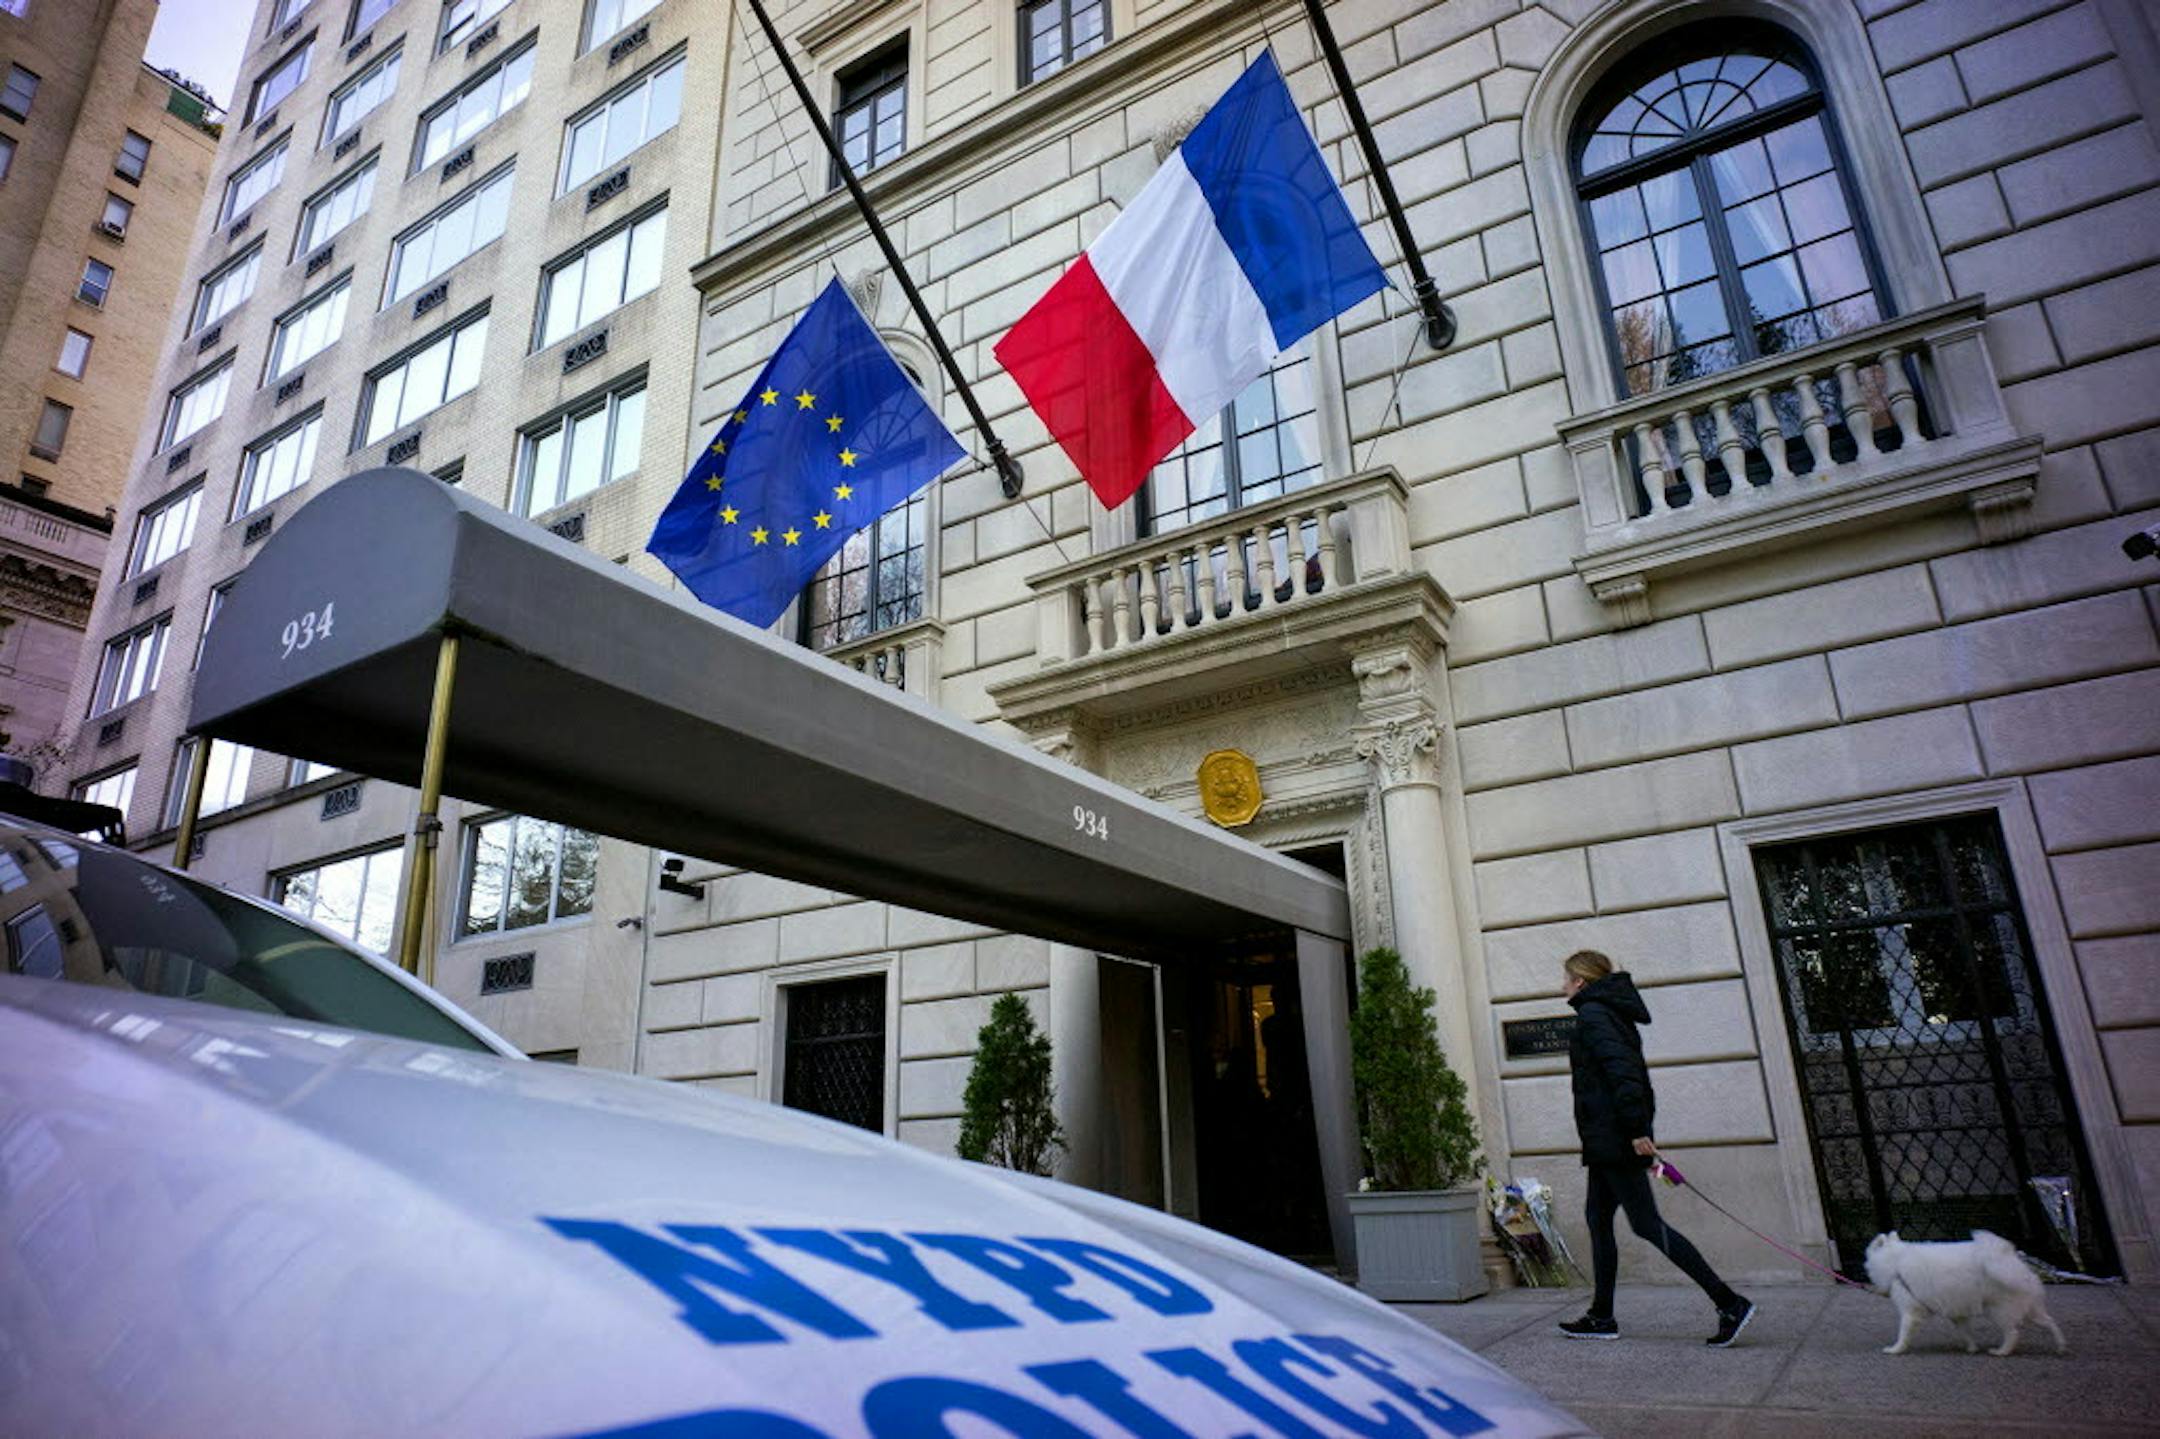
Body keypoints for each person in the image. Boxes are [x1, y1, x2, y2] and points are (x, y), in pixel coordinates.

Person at [1556, 949, 1755, 1346]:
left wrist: (1636, 1129)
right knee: (1597, 1220)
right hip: (1606, 1139)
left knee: (1646, 1224)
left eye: (1565, 978)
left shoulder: (1595, 1015)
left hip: (1614, 1138)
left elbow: (1624, 1074)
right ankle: (1601, 1316)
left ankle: (1729, 1302)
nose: (1561, 985)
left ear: (1580, 980)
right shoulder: (1606, 1012)